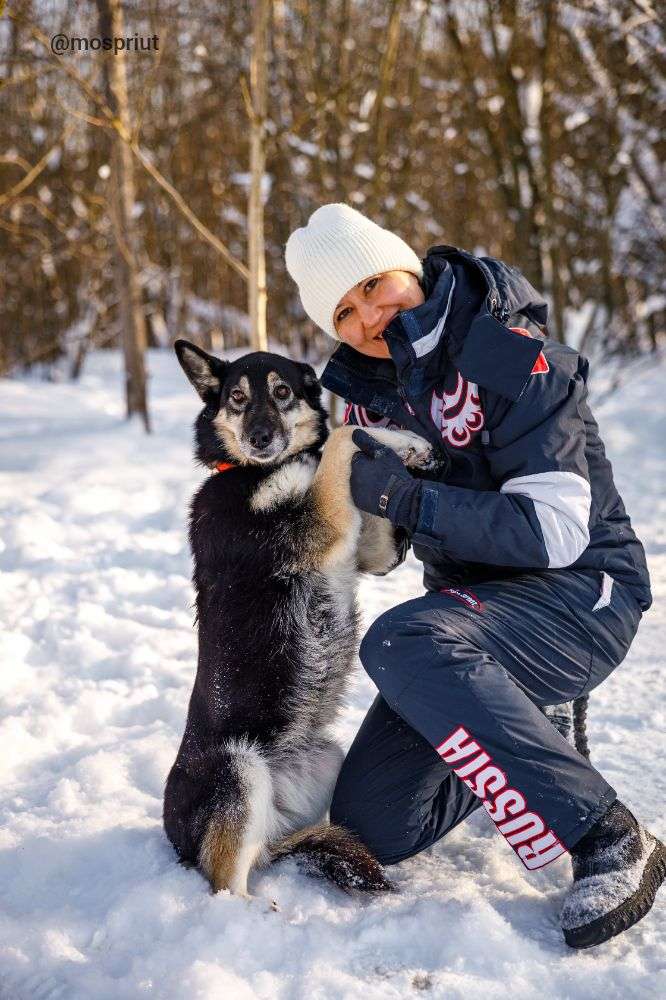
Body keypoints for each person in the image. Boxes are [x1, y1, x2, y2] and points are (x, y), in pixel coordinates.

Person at [284, 203, 664, 949]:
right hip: (471, 621)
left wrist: (402, 495)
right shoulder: (373, 388)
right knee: (373, 827)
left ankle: (609, 836)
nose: (369, 314)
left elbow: (553, 533)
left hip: (582, 595)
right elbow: (388, 546)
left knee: (399, 642)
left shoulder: (507, 350)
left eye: (373, 283)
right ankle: (526, 719)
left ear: (408, 266)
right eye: (345, 310)